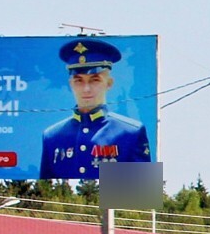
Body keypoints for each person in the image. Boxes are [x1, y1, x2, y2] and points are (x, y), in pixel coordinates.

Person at [38, 37, 151, 180]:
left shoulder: (130, 133)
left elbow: (138, 197)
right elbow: (44, 196)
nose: (86, 89)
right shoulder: (52, 136)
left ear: (109, 83)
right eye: (79, 81)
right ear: (71, 84)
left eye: (95, 80)